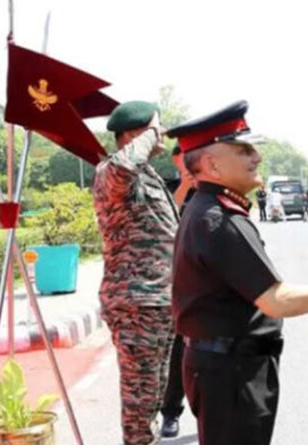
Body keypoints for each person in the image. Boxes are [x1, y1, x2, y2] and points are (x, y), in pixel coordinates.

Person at [167, 100, 308, 445]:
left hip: (223, 367)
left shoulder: (206, 208)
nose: (256, 157)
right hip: (230, 372)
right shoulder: (220, 219)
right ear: (212, 164)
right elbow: (276, 300)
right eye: (243, 150)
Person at [92, 101, 178, 445]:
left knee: (153, 391)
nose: (162, 133)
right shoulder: (111, 172)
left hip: (158, 299)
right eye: (156, 127)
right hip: (136, 300)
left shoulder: (147, 175)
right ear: (133, 135)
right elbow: (123, 165)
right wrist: (151, 133)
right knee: (139, 399)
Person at [159, 145, 198, 438]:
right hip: (175, 280)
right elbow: (166, 219)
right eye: (181, 160)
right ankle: (171, 412)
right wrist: (185, 185)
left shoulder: (215, 187)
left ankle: (211, 413)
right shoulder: (167, 188)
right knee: (177, 351)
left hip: (209, 279)